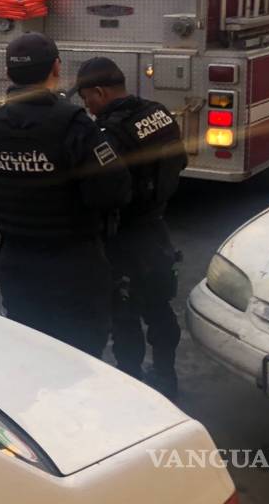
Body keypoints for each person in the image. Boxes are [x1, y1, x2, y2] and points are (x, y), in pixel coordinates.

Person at [0, 33, 132, 357]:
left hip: (19, 267)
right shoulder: (74, 124)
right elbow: (113, 190)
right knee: (82, 363)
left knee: (32, 359)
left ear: (8, 74)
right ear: (56, 68)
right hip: (75, 268)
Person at [76, 56, 187, 397]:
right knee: (159, 309)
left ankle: (132, 384)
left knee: (124, 317)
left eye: (87, 99)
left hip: (124, 238)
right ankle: (167, 377)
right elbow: (179, 160)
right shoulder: (159, 112)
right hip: (157, 230)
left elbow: (105, 190)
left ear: (99, 91)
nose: (88, 107)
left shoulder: (108, 135)